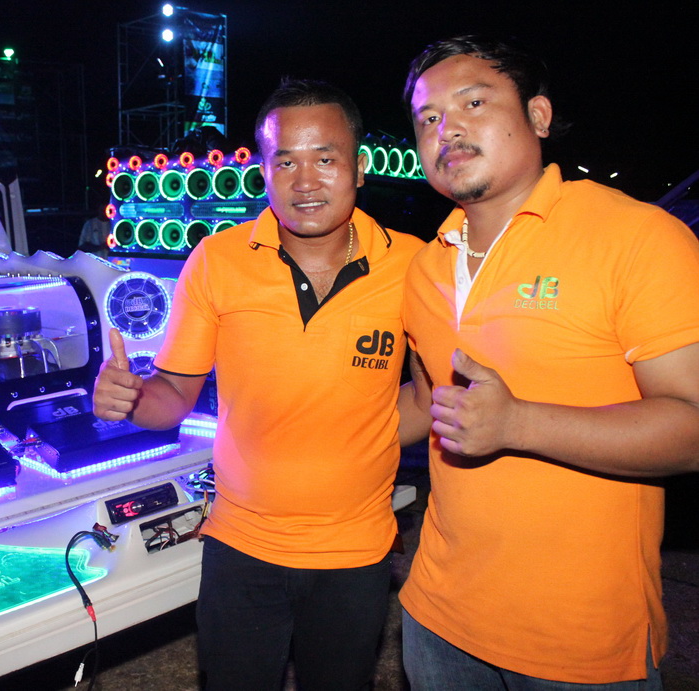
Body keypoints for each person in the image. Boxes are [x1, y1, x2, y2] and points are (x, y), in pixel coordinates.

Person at [93, 79, 423, 690]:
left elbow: (428, 398)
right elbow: (173, 395)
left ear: (359, 167)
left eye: (325, 158)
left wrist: (361, 435)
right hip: (241, 547)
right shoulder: (216, 261)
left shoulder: (412, 265)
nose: (305, 181)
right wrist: (133, 398)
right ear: (262, 172)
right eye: (285, 161)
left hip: (357, 552)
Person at [397, 35, 699, 688]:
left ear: (537, 115)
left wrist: (519, 423)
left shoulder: (636, 237)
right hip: (436, 619)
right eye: (428, 118)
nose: (446, 129)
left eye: (473, 103)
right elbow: (425, 403)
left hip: (582, 642)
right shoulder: (423, 268)